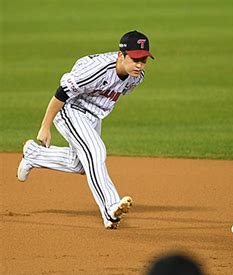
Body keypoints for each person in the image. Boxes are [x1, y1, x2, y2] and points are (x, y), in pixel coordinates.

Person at [17, 30, 154, 229]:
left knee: (82, 165)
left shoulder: (136, 77)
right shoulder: (96, 70)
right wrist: (45, 127)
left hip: (93, 116)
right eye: (134, 59)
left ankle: (34, 154)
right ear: (121, 55)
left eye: (143, 59)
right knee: (96, 152)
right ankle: (110, 207)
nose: (139, 64)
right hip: (70, 109)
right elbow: (61, 94)